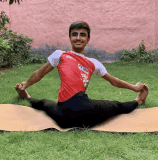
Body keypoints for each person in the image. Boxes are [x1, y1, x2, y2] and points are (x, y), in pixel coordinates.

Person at [15, 21, 149, 129]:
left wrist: (135, 87)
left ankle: (138, 100)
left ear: (88, 39)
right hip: (64, 113)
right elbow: (39, 73)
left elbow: (114, 81)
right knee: (44, 103)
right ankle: (26, 95)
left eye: (82, 35)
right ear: (70, 38)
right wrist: (25, 84)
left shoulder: (93, 63)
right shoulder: (60, 55)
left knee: (115, 106)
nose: (78, 38)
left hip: (81, 110)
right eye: (74, 34)